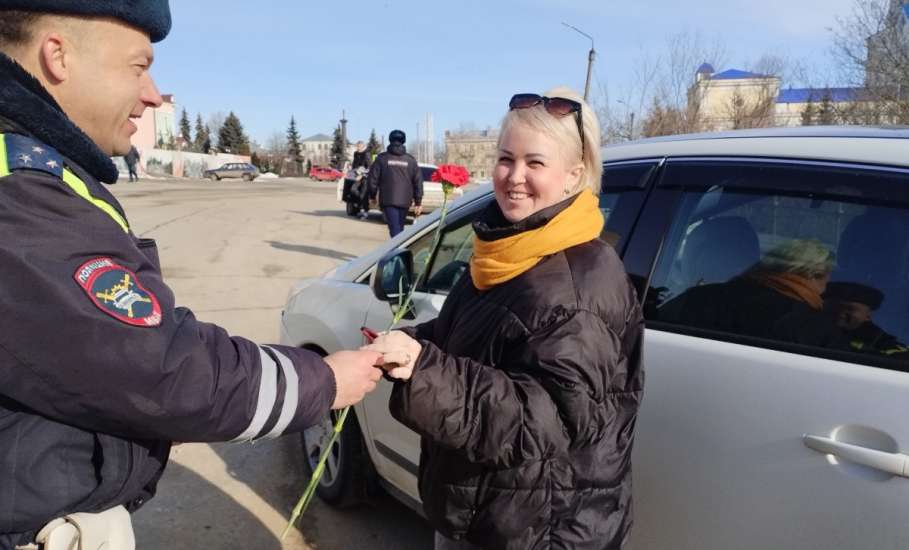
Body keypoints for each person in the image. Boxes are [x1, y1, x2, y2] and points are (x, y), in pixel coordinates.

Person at [0, 3, 383, 549]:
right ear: (57, 55)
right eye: (138, 66)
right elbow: (163, 369)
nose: (153, 93)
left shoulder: (38, 173)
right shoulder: (22, 194)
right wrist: (323, 381)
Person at [365, 88, 645, 549]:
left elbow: (544, 420)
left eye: (535, 163)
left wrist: (424, 369)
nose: (514, 177)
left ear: (574, 175)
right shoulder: (511, 249)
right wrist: (409, 343)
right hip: (488, 510)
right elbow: (479, 334)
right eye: (505, 158)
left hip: (536, 531)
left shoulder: (580, 285)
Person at [660, 238, 850, 349]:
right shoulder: (814, 327)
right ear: (813, 275)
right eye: (827, 279)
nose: (826, 289)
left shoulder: (701, 296)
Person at [824, 282, 909, 358]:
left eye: (850, 309)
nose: (841, 313)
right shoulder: (813, 329)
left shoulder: (882, 344)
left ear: (868, 316)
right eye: (835, 307)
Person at [367, 129, 422, 237]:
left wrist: (372, 196)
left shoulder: (382, 159)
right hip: (405, 200)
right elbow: (418, 182)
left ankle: (398, 251)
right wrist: (418, 202)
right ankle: (398, 250)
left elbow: (372, 179)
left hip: (388, 199)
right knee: (398, 227)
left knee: (395, 228)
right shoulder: (411, 160)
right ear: (404, 141)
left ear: (390, 140)